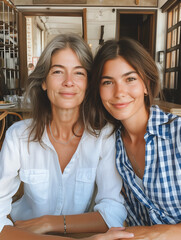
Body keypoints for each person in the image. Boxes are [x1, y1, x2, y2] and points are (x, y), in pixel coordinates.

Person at [0, 34, 134, 240]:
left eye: (79, 73)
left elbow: (113, 212)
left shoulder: (103, 136)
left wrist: (48, 223)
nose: (69, 82)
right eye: (57, 71)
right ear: (43, 81)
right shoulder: (17, 136)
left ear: (89, 83)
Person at [86, 37, 181, 239]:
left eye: (130, 79)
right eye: (108, 82)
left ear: (147, 84)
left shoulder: (176, 133)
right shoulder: (111, 144)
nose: (119, 92)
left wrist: (159, 232)